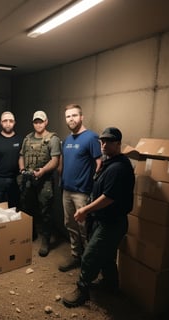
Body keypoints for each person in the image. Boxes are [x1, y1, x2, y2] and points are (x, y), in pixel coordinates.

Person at [62, 127, 135, 308]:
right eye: (102, 141)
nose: (103, 145)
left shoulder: (119, 168)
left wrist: (85, 210)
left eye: (108, 142)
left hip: (112, 222)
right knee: (108, 256)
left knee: (89, 255)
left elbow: (108, 198)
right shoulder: (110, 161)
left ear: (117, 144)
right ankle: (111, 286)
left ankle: (82, 290)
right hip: (104, 219)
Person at [58, 104, 102, 272]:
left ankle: (89, 264)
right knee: (70, 225)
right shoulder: (67, 140)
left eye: (74, 115)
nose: (71, 119)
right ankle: (76, 257)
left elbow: (99, 164)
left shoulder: (91, 137)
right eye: (68, 116)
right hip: (67, 190)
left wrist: (92, 187)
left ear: (81, 117)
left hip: (82, 193)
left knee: (85, 228)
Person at [19, 110, 61, 257]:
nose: (38, 124)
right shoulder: (27, 138)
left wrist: (42, 171)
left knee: (46, 211)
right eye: (36, 122)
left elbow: (55, 160)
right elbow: (21, 156)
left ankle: (45, 240)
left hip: (45, 180)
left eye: (41, 121)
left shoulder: (52, 139)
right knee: (27, 207)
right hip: (29, 179)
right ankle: (31, 234)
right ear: (33, 123)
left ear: (46, 122)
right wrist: (22, 169)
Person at [0, 111, 23, 208]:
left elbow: (21, 157)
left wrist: (22, 173)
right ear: (1, 123)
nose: (8, 123)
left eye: (11, 121)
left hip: (15, 180)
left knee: (14, 208)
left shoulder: (20, 139)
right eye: (5, 121)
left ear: (14, 123)